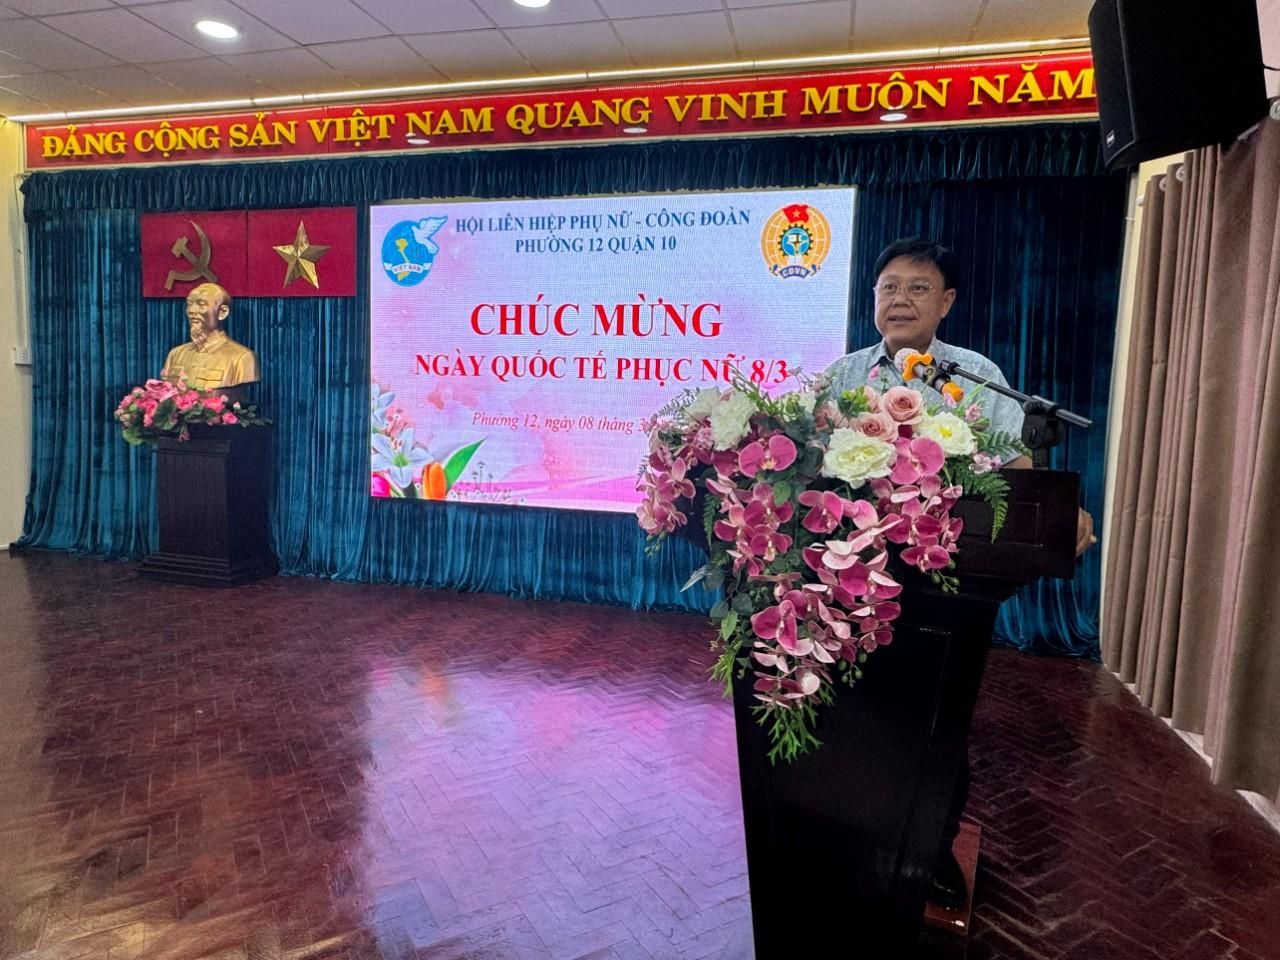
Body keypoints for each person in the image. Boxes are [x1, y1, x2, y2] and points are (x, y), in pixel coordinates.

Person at [825, 237, 1095, 910]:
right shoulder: (843, 376)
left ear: (945, 302)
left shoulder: (976, 378)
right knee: (862, 715)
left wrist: (1059, 511)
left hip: (946, 585)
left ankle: (931, 848)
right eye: (889, 287)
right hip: (856, 579)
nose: (900, 300)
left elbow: (1018, 474)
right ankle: (858, 834)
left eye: (918, 288)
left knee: (936, 719)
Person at [161, 282, 259, 392]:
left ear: (222, 312)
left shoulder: (242, 358)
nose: (192, 310)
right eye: (189, 304)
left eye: (201, 304)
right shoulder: (175, 354)